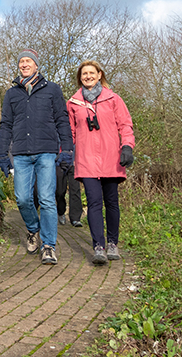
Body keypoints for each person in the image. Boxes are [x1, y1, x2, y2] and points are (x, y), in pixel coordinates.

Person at [0, 49, 75, 265]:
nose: (24, 64)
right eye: (21, 61)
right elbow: (6, 125)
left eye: (28, 61)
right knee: (22, 198)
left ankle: (48, 245)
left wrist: (67, 150)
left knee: (47, 198)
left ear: (36, 65)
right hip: (21, 153)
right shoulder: (12, 94)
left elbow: (61, 119)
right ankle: (33, 229)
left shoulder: (52, 90)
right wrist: (2, 154)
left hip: (47, 152)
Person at [66, 60, 135, 266]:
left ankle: (113, 242)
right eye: (84, 73)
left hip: (111, 158)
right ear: (80, 77)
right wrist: (66, 154)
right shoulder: (73, 103)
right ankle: (99, 246)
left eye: (91, 73)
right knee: (94, 203)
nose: (87, 76)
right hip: (86, 160)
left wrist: (127, 147)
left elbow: (125, 125)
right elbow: (69, 133)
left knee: (111, 202)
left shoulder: (113, 99)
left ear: (99, 75)